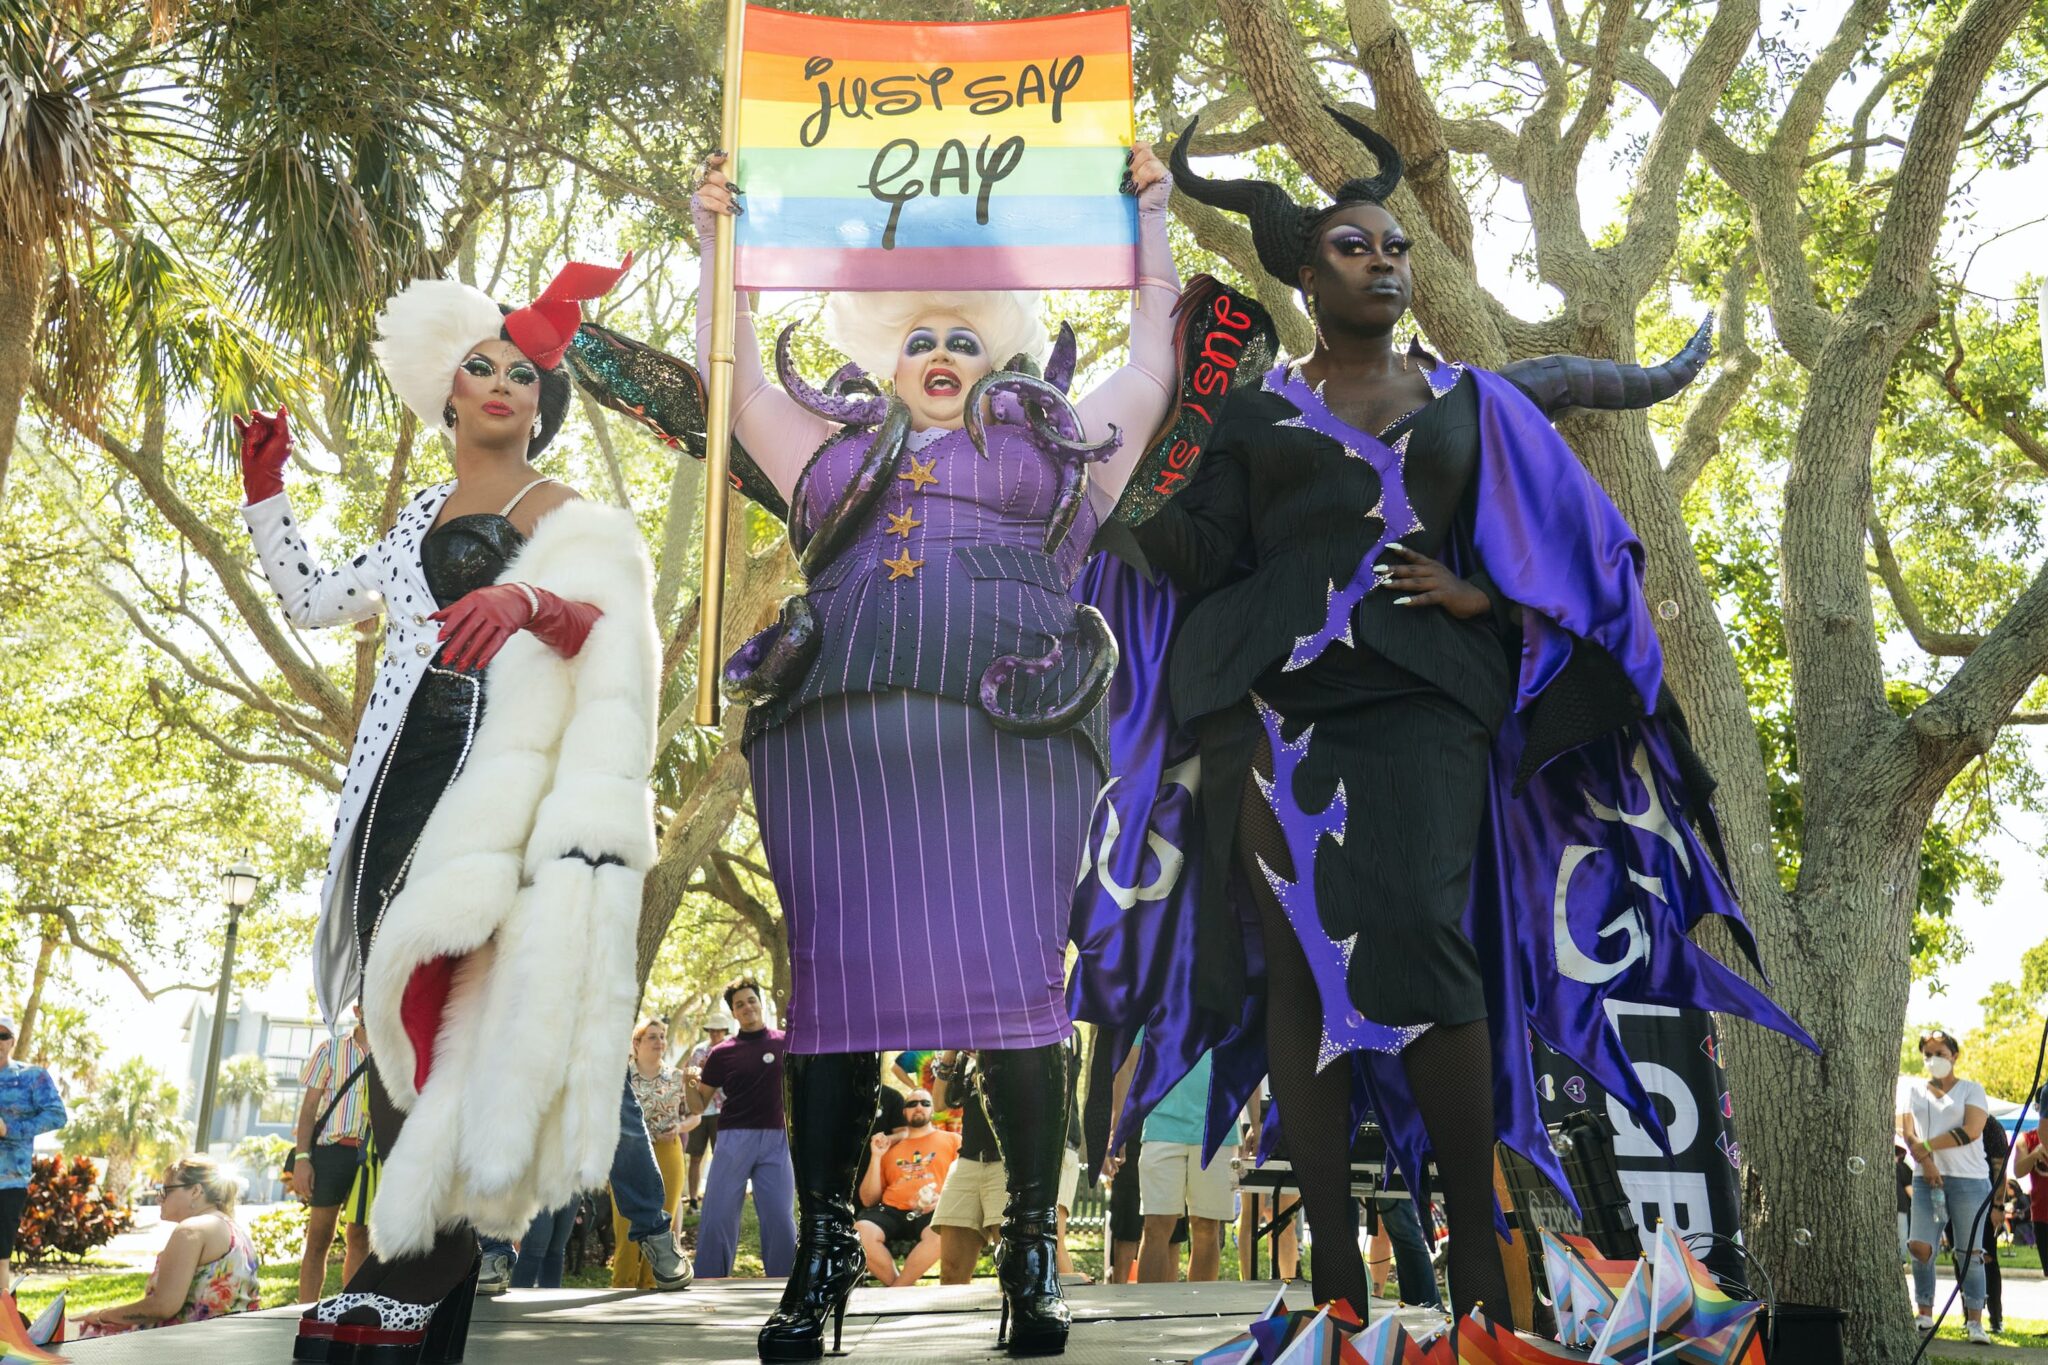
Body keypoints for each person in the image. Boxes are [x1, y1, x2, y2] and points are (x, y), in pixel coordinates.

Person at [1074, 112, 1815, 1324]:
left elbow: (1580, 556)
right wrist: (1125, 485)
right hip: (1270, 717)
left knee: (1428, 943)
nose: (1382, 263)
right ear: (1304, 275)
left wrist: (1482, 594)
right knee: (1300, 984)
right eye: (1353, 249)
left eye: (1394, 249)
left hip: (1426, 711)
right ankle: (1327, 1284)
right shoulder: (1249, 414)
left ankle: (1474, 1262)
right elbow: (1200, 553)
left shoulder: (1473, 401)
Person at [693, 133, 1181, 1360]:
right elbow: (737, 380)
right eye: (919, 338)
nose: (941, 355)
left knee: (1020, 995)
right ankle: (816, 1271)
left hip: (1011, 746)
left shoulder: (1057, 448)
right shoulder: (833, 455)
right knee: (837, 1008)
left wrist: (1152, 222)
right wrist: (720, 242)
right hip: (836, 755)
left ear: (997, 349)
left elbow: (1152, 366)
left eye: (964, 338)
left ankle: (1030, 1256)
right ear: (885, 354)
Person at [238, 257, 664, 1363]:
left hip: (496, 803)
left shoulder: (565, 513)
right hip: (391, 799)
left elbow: (615, 642)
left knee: (464, 1049)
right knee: (397, 1052)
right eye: (480, 366)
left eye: (521, 375)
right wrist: (266, 498)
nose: (499, 385)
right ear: (449, 390)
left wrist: (532, 600)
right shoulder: (421, 510)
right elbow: (317, 599)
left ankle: (391, 1299)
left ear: (540, 403)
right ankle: (424, 1334)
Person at [74, 1157, 259, 1336]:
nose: (159, 1198)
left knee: (69, 1333)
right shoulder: (233, 1228)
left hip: (183, 1349)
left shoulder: (192, 1230)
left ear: (195, 1191)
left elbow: (163, 1307)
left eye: (166, 1190)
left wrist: (101, 1315)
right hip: (224, 1343)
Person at [691, 978, 796, 1281]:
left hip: (776, 1139)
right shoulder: (722, 1052)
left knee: (779, 1216)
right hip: (733, 1139)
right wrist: (689, 1083)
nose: (747, 1007)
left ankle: (784, 1284)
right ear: (733, 1014)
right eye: (739, 1004)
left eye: (751, 1000)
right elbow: (699, 1104)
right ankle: (708, 1281)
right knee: (718, 1215)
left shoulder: (786, 1042)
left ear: (760, 1003)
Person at [1898, 1031, 1994, 1344]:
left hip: (1969, 1180)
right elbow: (1906, 1132)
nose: (1933, 1059)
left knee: (1969, 1252)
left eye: (1940, 1053)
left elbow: (1972, 1130)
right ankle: (1924, 1313)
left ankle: (1975, 1320)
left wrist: (1926, 1145)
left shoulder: (1971, 1089)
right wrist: (1926, 1162)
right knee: (1920, 1246)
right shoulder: (1913, 1091)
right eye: (1928, 1054)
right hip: (1927, 1179)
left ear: (1954, 1055)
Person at [1131, 1050, 1234, 1283]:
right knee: (1155, 1226)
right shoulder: (1153, 1011)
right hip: (1160, 1126)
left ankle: (1199, 1314)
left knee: (1207, 1228)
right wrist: (1116, 1127)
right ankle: (1150, 1316)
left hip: (1218, 1127)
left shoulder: (1236, 1010)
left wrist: (1256, 1122)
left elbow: (1246, 1060)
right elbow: (1129, 1064)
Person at [611, 1018, 698, 1288]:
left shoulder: (676, 1076)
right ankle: (622, 1285)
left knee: (662, 1221)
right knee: (625, 1226)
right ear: (636, 1043)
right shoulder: (619, 1076)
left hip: (667, 1151)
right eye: (652, 1037)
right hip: (628, 1154)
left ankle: (654, 1283)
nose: (660, 1041)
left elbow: (695, 1115)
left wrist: (678, 1127)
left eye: (662, 1036)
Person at [292, 1015, 371, 1303]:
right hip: (330, 1152)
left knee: (360, 1235)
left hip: (369, 1156)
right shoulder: (330, 1049)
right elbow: (309, 1107)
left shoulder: (393, 1051)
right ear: (358, 1009)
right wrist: (302, 1158)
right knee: (319, 1238)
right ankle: (304, 1311)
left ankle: (351, 1309)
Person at [856, 1090, 962, 1287]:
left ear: (932, 1110)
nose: (919, 1107)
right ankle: (900, 1290)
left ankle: (896, 1291)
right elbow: (868, 1200)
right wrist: (876, 1156)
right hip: (892, 1209)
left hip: (933, 1208)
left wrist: (943, 1199)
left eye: (925, 1102)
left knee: (944, 1233)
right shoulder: (888, 1148)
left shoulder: (953, 1140)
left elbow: (964, 1182)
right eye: (912, 1104)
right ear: (904, 1112)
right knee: (860, 1231)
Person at [0, 1014, 66, 1299]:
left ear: (13, 1041)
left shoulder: (31, 1077)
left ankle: (3, 1328)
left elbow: (57, 1115)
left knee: (0, 1258)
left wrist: (9, 1129)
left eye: (3, 1035)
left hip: (6, 1182)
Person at [685, 1009, 735, 1209]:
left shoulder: (732, 1050)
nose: (715, 1034)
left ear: (724, 1031)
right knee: (695, 1156)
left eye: (719, 1030)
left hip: (723, 1110)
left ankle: (721, 1200)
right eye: (712, 1030)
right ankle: (693, 1200)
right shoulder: (698, 1051)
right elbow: (689, 1078)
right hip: (700, 1111)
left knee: (721, 1157)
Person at [1977, 1113, 2011, 1333]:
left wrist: (1998, 1205)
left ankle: (1995, 1317)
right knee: (1961, 1257)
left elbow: (2001, 1168)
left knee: (1988, 1259)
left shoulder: (1991, 1127)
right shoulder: (1953, 1119)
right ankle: (1971, 1315)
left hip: (1987, 1202)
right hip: (1957, 1197)